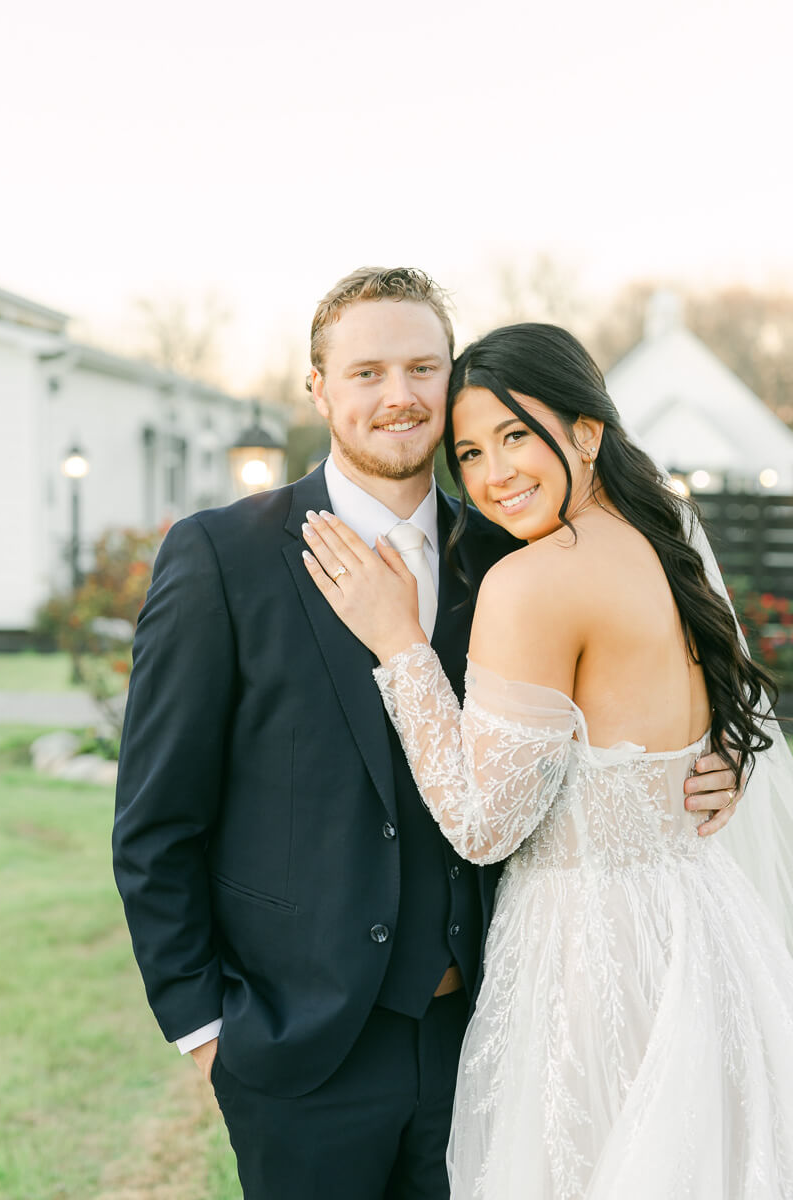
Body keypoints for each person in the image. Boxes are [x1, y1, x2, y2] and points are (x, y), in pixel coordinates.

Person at [113, 275, 738, 1200]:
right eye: (366, 370)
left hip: (498, 1032)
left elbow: (623, 701)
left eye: (422, 368)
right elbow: (156, 818)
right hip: (300, 1055)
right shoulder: (221, 556)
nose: (398, 395)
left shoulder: (514, 550)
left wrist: (712, 762)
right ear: (320, 388)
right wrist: (207, 1033)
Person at [301, 322, 793, 1198]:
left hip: (593, 960)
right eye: (470, 452)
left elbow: (481, 824)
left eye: (517, 435)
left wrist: (400, 643)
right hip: (705, 934)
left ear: (588, 432)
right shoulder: (666, 539)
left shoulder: (532, 581)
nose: (494, 475)